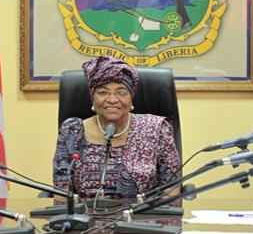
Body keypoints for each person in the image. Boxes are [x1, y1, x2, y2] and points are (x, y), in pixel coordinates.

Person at [52, 56, 180, 203]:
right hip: (85, 215)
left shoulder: (157, 129)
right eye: (103, 92)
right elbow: (61, 194)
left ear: (131, 98)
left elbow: (171, 193)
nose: (112, 100)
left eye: (121, 92)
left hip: (143, 214)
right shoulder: (72, 131)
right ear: (92, 98)